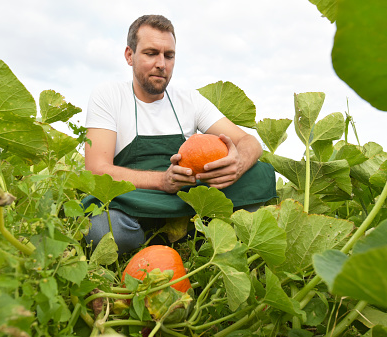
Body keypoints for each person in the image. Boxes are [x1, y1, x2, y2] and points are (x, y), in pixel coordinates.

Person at [82, 14, 276, 254]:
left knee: (257, 171)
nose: (161, 63)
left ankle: (177, 235)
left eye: (169, 55)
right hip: (134, 197)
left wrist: (237, 164)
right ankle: (173, 240)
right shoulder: (109, 95)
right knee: (106, 232)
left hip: (182, 197)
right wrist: (162, 181)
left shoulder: (189, 100)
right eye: (151, 53)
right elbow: (96, 169)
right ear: (129, 55)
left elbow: (249, 141)